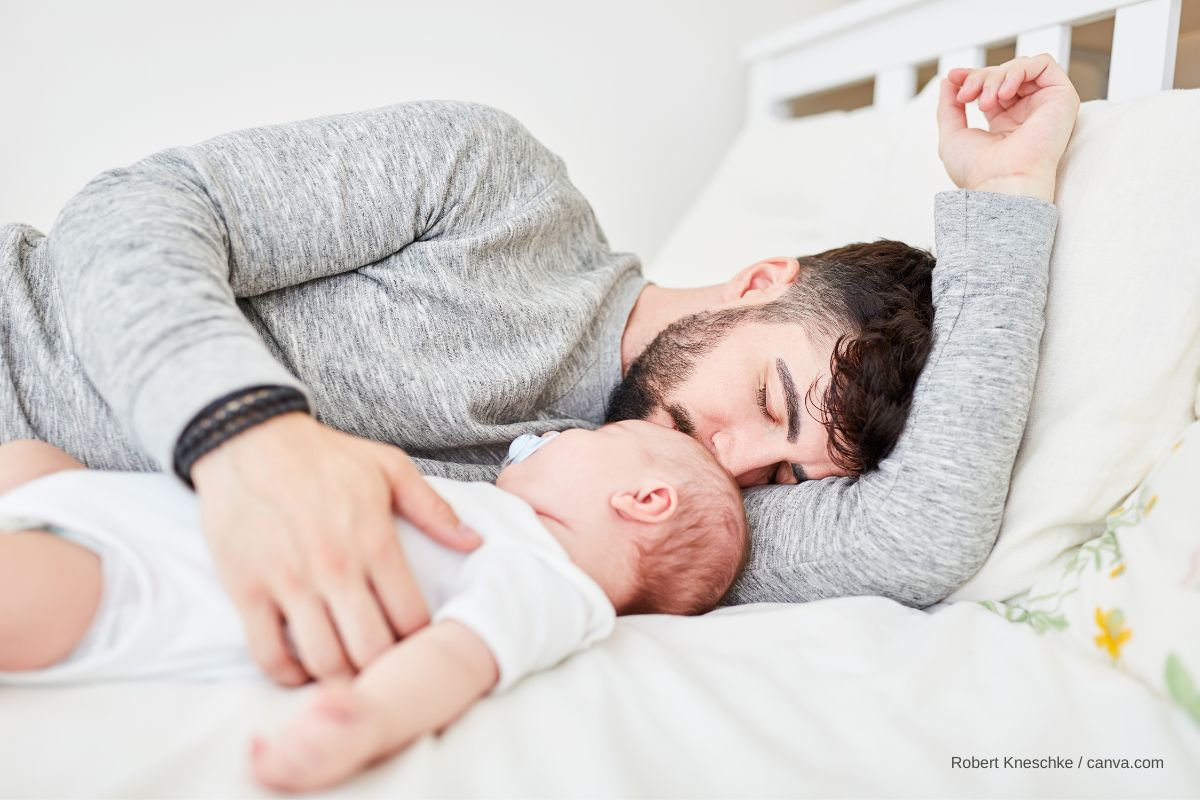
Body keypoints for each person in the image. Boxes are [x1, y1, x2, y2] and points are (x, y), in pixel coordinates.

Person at [0, 54, 1080, 685]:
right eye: (769, 398)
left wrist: (1009, 198)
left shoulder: (648, 520)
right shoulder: (491, 184)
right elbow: (125, 218)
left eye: (790, 474)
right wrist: (245, 435)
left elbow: (925, 533)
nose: (739, 457)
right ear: (759, 279)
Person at [0, 421, 748, 790]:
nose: (547, 436)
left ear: (644, 499)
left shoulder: (557, 584)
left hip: (147, 579)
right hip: (129, 504)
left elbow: (460, 655)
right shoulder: (501, 516)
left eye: (591, 434)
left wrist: (370, 718)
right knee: (29, 458)